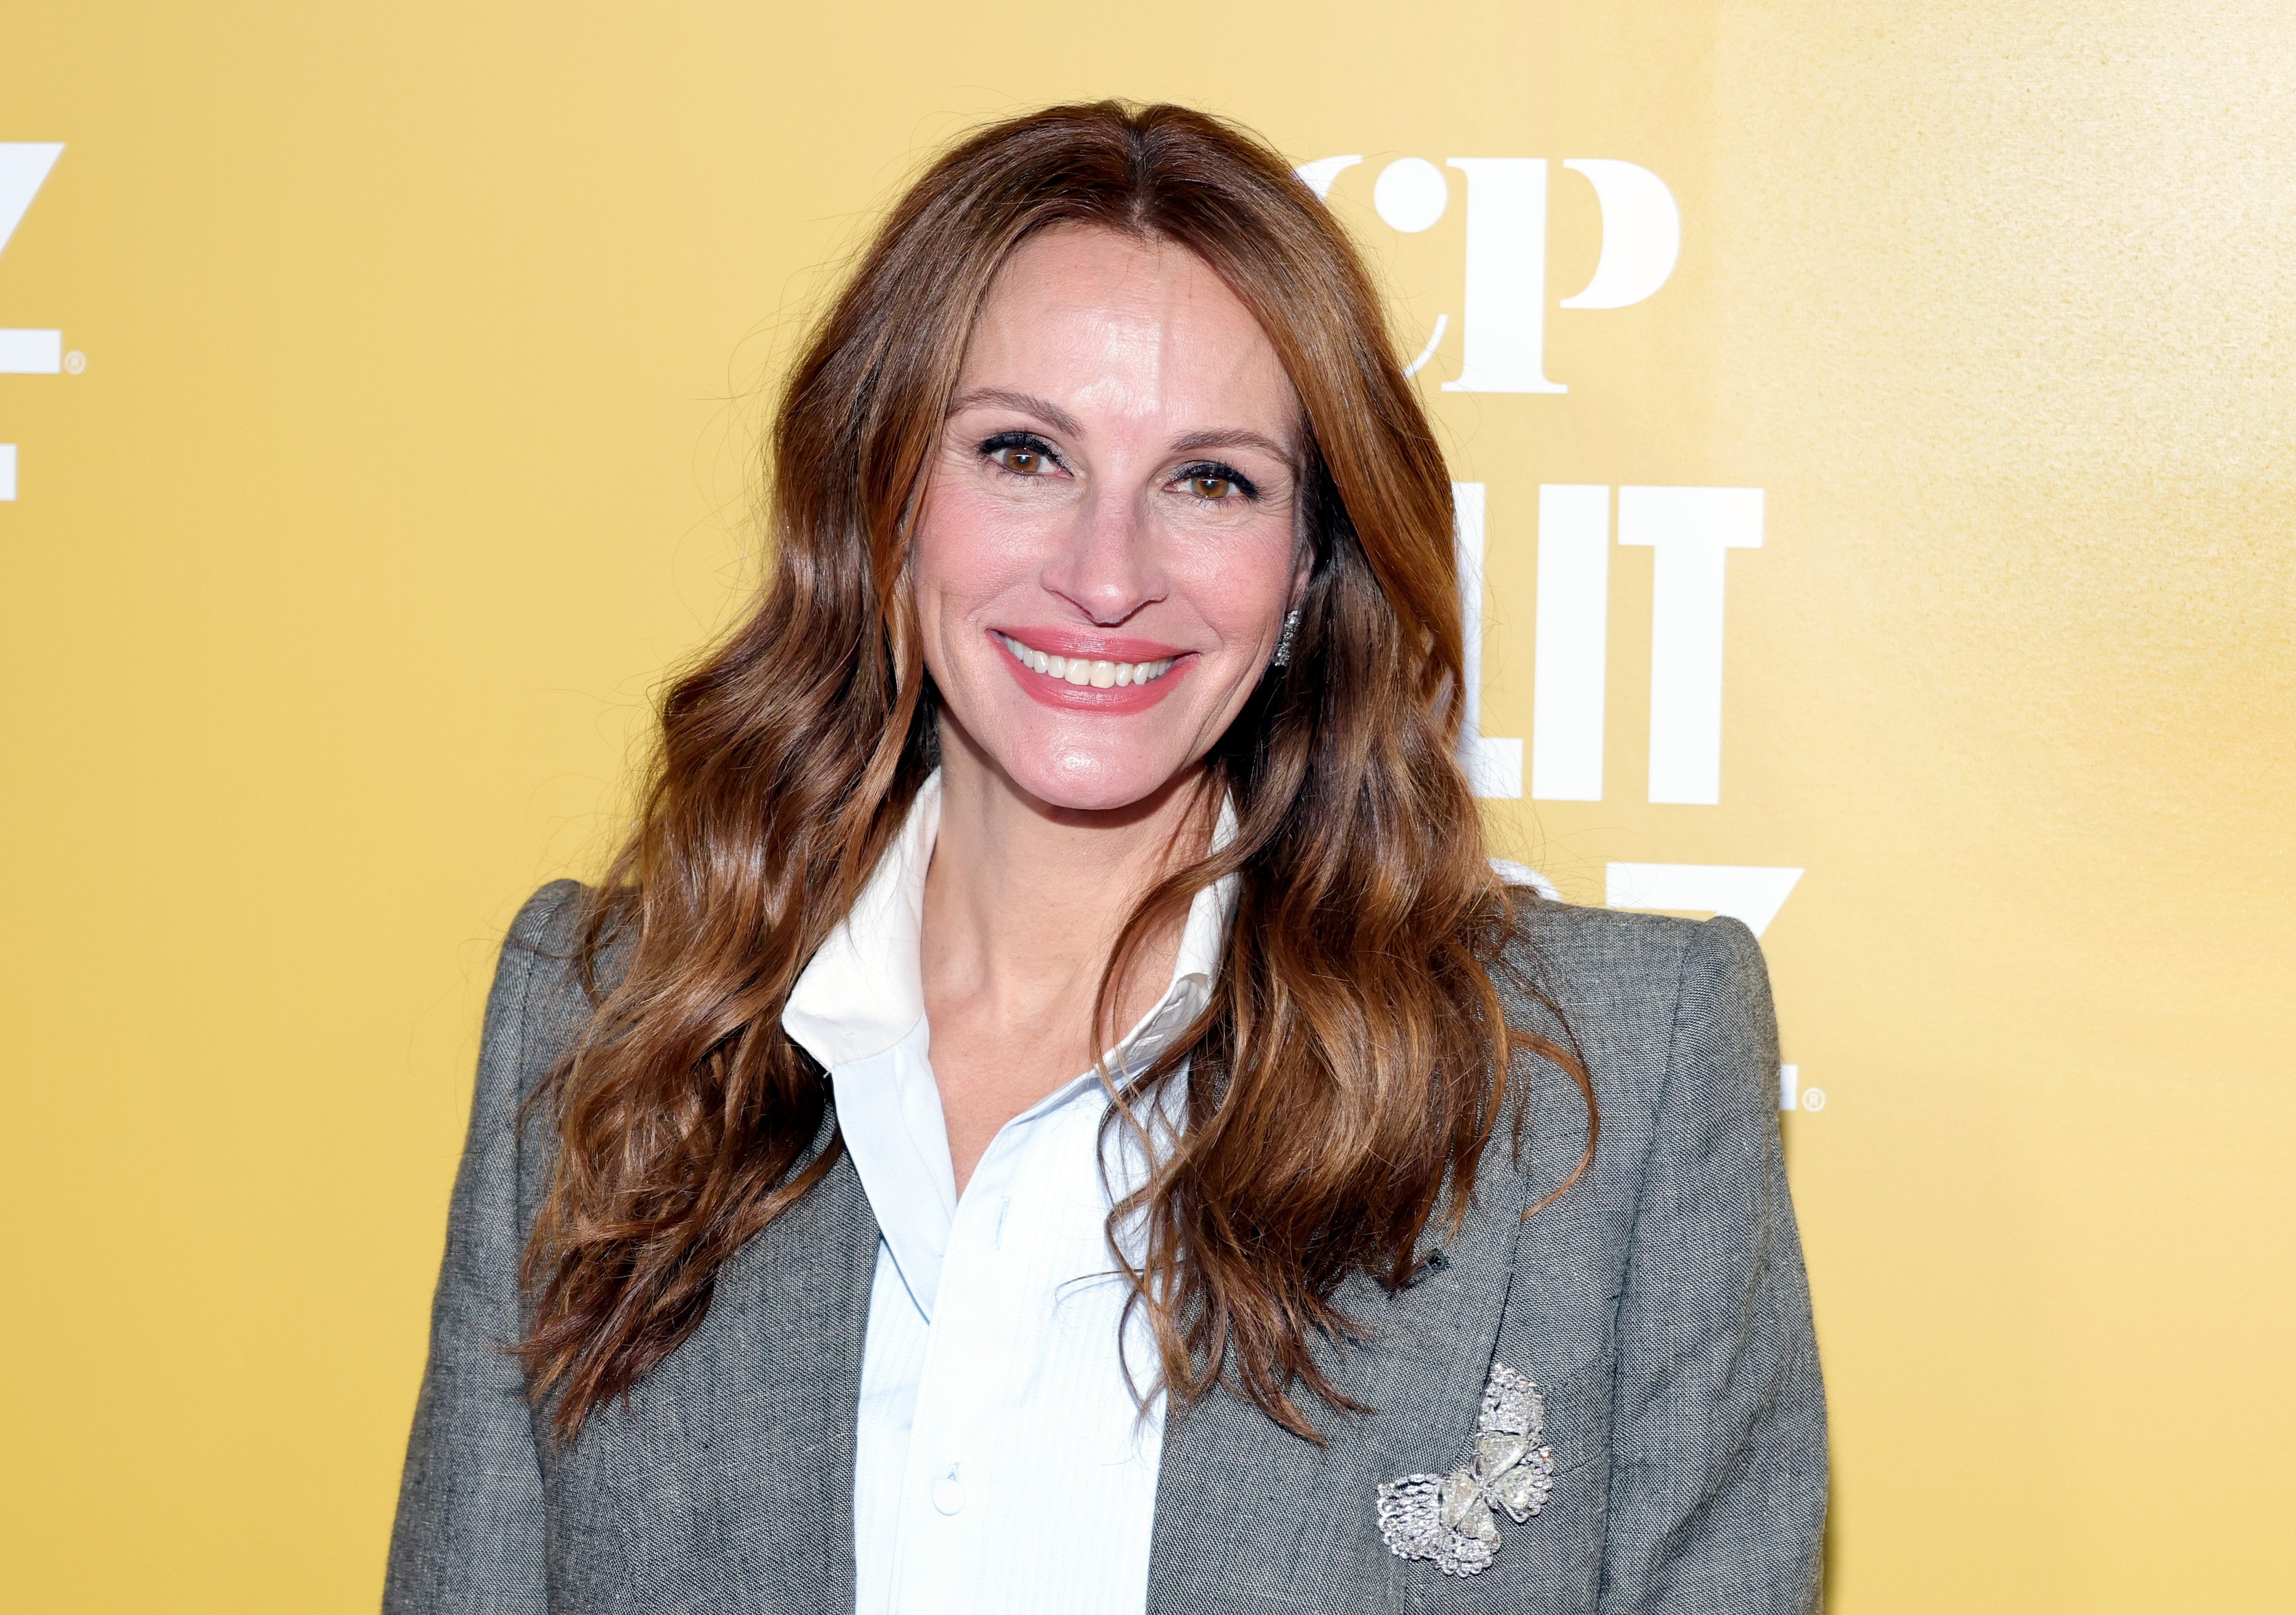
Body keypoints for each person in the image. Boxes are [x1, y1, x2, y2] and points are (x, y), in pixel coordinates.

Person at [384, 101, 1825, 1615]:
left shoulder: (1603, 1073)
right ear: (881, 502)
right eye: (1022, 453)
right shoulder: (604, 1020)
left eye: (1210, 481)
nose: (1104, 575)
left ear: (1305, 571)